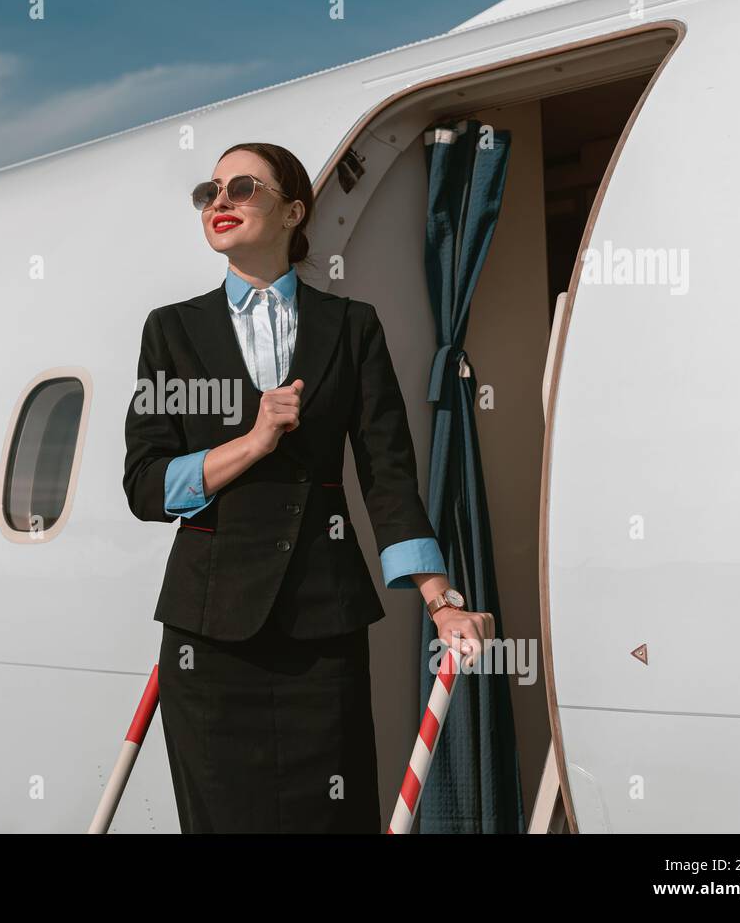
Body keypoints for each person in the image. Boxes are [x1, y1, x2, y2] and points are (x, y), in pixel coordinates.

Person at [123, 141, 492, 833]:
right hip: (209, 636)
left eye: (242, 188)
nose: (220, 203)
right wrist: (252, 443)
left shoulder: (351, 328)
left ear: (294, 211)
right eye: (210, 193)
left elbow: (388, 476)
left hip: (323, 628)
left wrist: (442, 603)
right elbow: (145, 484)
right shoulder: (171, 331)